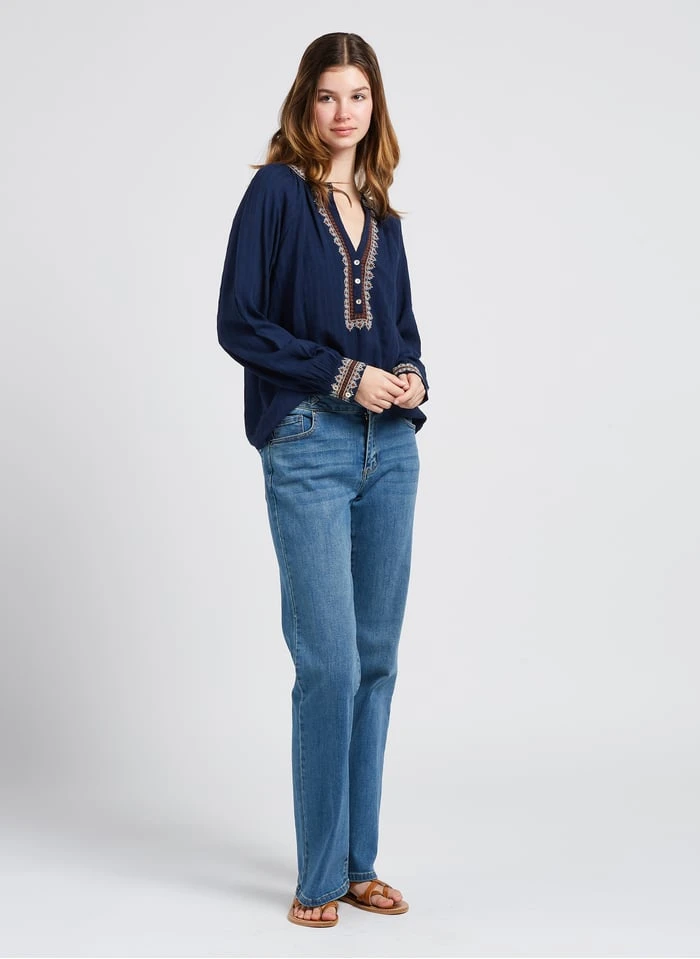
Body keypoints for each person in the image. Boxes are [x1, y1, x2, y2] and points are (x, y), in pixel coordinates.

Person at [216, 31, 428, 928]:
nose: (344, 112)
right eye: (329, 95)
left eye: (359, 96)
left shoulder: (380, 211)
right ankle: (316, 878)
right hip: (308, 440)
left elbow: (402, 330)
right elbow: (239, 322)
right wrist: (344, 376)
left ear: (376, 106)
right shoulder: (275, 192)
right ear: (306, 102)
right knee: (329, 664)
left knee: (375, 662)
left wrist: (412, 380)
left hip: (392, 450)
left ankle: (357, 864)